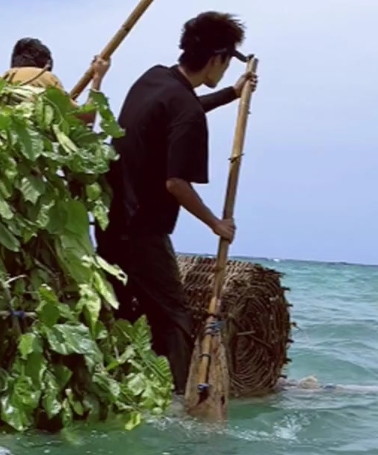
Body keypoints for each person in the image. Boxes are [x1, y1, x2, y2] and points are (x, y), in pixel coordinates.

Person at [94, 11, 258, 395]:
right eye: (226, 61)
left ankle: (115, 388)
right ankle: (181, 404)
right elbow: (176, 184)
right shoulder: (186, 112)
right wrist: (216, 224)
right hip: (145, 232)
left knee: (122, 310)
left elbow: (176, 111)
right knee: (174, 318)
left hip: (109, 222)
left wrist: (232, 94)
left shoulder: (152, 79)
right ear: (217, 58)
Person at [1, 37, 111, 125]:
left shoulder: (3, 80)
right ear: (47, 64)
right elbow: (86, 121)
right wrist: (97, 76)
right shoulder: (45, 77)